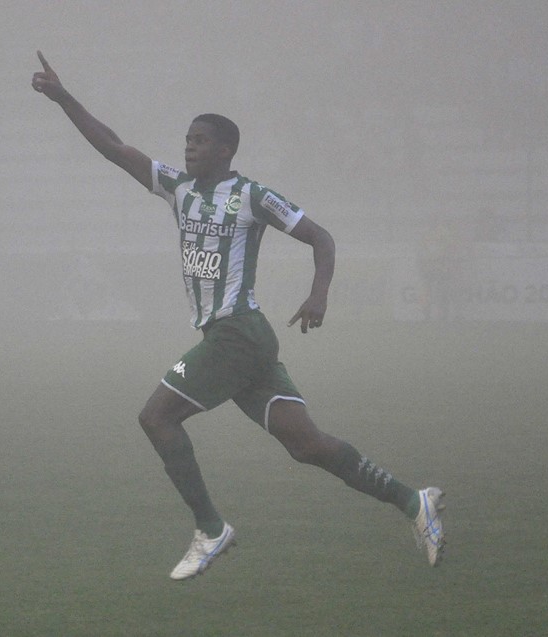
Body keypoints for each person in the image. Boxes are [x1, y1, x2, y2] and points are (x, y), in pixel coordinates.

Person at [31, 51, 445, 580]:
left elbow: (321, 236)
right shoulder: (178, 190)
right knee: (308, 446)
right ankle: (415, 503)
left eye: (199, 140)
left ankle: (210, 528)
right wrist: (63, 96)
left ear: (225, 150)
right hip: (242, 340)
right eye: (187, 138)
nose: (188, 145)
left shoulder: (251, 195)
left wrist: (319, 294)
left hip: (237, 334)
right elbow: (113, 147)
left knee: (156, 417)